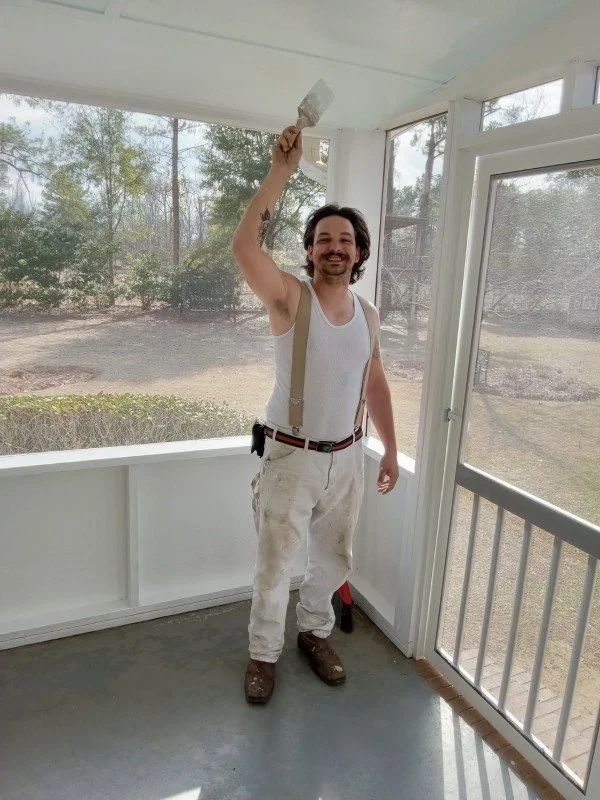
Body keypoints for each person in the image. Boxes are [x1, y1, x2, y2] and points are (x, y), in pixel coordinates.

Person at [232, 125, 399, 704]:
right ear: (309, 250)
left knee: (333, 560)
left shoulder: (368, 315)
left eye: (346, 239)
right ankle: (262, 656)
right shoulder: (289, 298)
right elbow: (244, 249)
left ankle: (316, 635)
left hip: (348, 457)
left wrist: (392, 450)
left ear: (359, 251)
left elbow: (374, 381)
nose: (335, 246)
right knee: (276, 567)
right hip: (290, 458)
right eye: (324, 238)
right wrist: (281, 171)